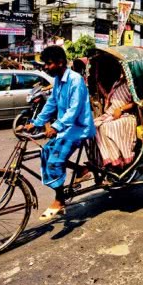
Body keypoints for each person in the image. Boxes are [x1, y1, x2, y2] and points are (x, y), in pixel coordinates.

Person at [22, 46, 96, 221]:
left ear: (60, 63)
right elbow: (51, 104)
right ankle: (82, 169)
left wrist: (56, 126)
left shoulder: (75, 80)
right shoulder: (58, 82)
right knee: (47, 152)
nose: (45, 68)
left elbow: (74, 109)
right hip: (66, 128)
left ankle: (60, 200)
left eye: (48, 64)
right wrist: (36, 123)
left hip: (78, 128)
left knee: (55, 160)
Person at [94, 68, 137, 168]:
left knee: (105, 127)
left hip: (127, 115)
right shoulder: (118, 82)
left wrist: (121, 109)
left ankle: (117, 159)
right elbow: (109, 97)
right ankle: (106, 158)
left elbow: (136, 102)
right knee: (93, 126)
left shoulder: (134, 84)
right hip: (111, 113)